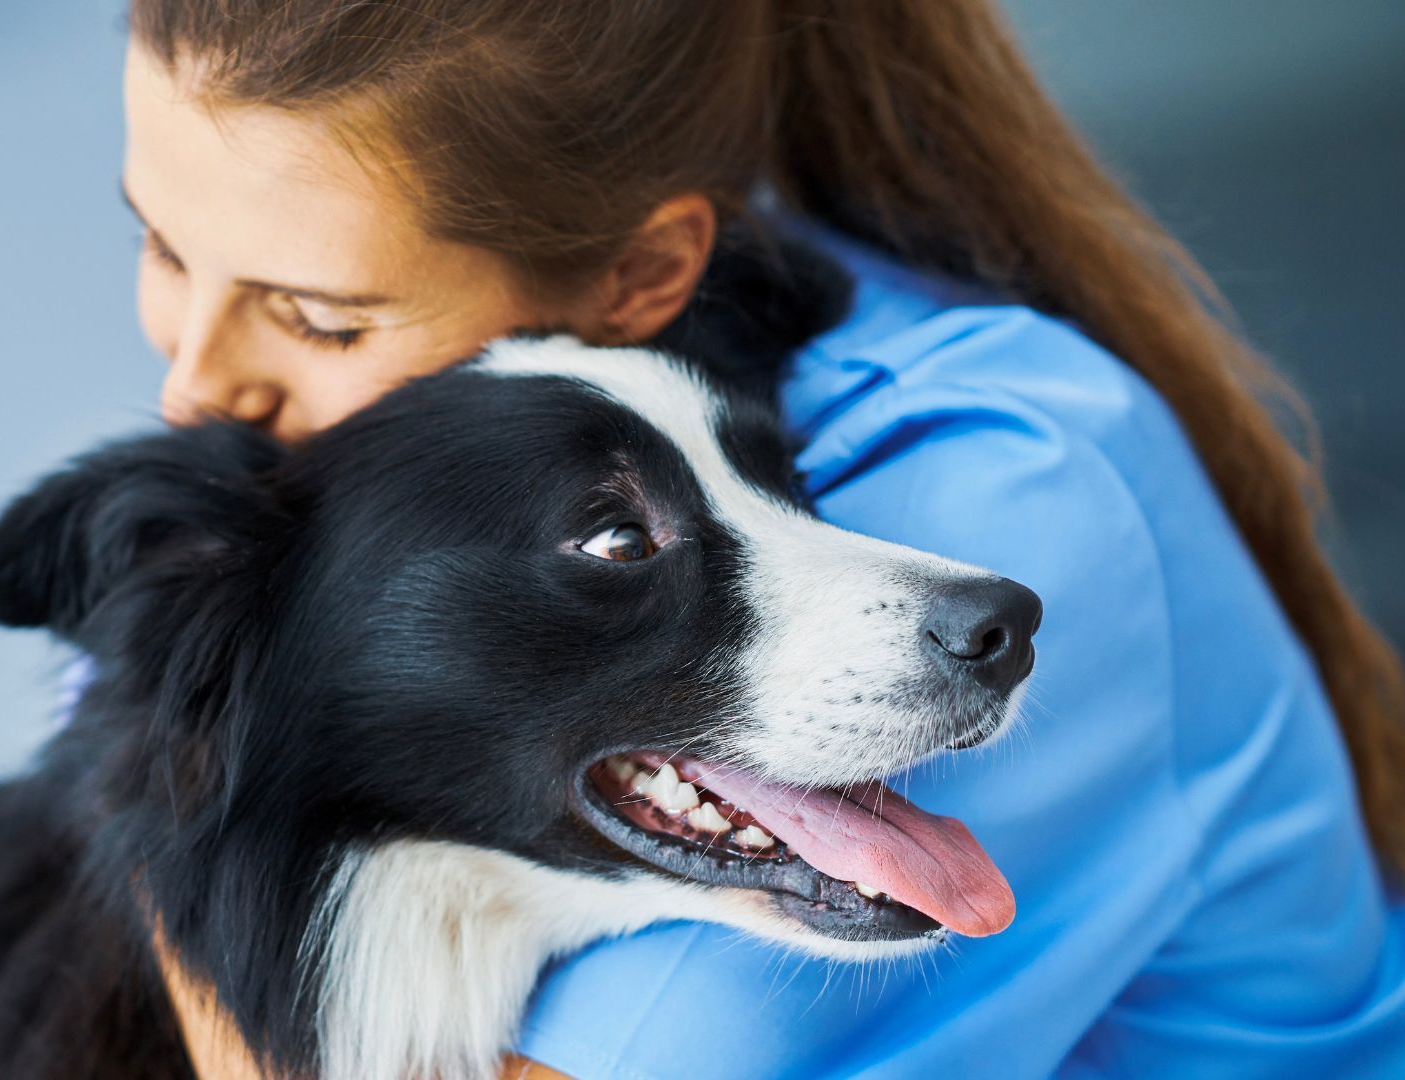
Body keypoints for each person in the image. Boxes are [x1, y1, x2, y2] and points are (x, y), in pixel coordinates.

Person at [104, 2, 1405, 1076]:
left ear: (639, 281)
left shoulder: (997, 490)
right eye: (163, 247)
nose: (195, 389)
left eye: (323, 321)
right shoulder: (419, 475)